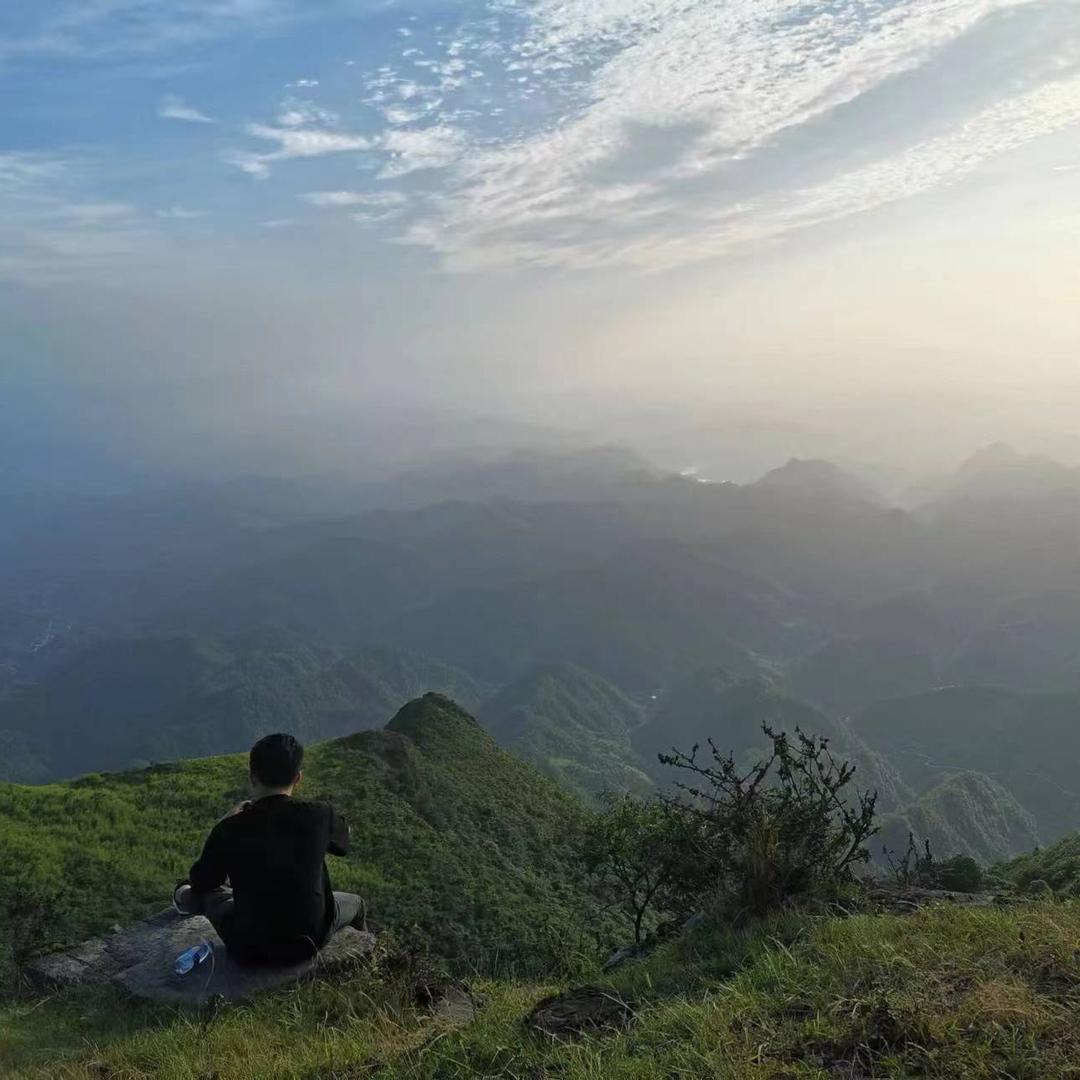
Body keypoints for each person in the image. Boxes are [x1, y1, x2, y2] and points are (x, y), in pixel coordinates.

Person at [172, 732, 367, 965]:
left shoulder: (230, 828)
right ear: (298, 778)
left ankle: (180, 896)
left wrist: (224, 821)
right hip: (311, 940)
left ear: (252, 778)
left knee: (206, 894)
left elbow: (202, 881)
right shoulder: (320, 814)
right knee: (357, 903)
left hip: (249, 948)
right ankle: (366, 962)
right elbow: (343, 845)